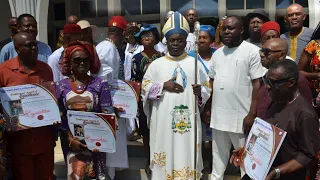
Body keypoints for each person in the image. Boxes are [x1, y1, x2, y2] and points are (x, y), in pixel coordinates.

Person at [141, 11, 211, 179]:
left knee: (186, 150)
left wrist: (199, 92)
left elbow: (206, 88)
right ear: (166, 41)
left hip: (188, 119)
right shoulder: (156, 65)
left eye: (180, 40)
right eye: (172, 40)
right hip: (163, 119)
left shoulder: (195, 64)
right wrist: (163, 85)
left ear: (185, 41)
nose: (176, 44)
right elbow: (144, 89)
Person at [231, 59, 320, 180]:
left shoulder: (305, 114)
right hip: (262, 171)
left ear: (290, 82)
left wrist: (276, 172)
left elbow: (307, 155)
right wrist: (246, 152)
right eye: (266, 81)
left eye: (273, 83)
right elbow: (266, 138)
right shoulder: (276, 102)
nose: (267, 86)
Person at [207, 15, 265, 180]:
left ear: (241, 30)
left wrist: (252, 113)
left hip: (242, 117)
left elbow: (257, 83)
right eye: (224, 28)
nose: (226, 31)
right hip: (218, 117)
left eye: (231, 28)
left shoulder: (252, 51)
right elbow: (212, 82)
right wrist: (208, 108)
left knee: (245, 161)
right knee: (217, 159)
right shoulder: (217, 54)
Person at [0, 32, 56, 179]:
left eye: (35, 45)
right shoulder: (4, 71)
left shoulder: (46, 69)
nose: (34, 48)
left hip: (45, 139)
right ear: (17, 48)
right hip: (19, 142)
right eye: (29, 46)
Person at [55, 41, 113, 179]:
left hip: (97, 142)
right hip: (72, 142)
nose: (82, 63)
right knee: (77, 175)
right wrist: (70, 139)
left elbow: (107, 113)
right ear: (69, 63)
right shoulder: (60, 86)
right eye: (77, 60)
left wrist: (96, 138)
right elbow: (59, 116)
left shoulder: (100, 84)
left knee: (95, 175)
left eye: (85, 60)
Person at [130, 24, 163, 174]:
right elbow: (134, 80)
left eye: (149, 36)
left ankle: (160, 158)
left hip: (160, 99)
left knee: (160, 129)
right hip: (143, 99)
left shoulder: (162, 57)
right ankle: (149, 159)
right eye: (143, 36)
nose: (146, 38)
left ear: (155, 38)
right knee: (146, 130)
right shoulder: (136, 59)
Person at [258, 38, 312, 120]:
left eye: (266, 52)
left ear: (282, 55)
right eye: (261, 51)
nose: (262, 55)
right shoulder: (265, 76)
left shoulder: (298, 81)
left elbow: (306, 114)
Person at [188, 24, 216, 170]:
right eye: (199, 37)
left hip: (216, 100)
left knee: (213, 135)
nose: (201, 40)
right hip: (197, 100)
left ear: (211, 40)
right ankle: (199, 161)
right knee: (198, 133)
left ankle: (213, 161)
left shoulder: (217, 54)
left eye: (205, 37)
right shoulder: (190, 56)